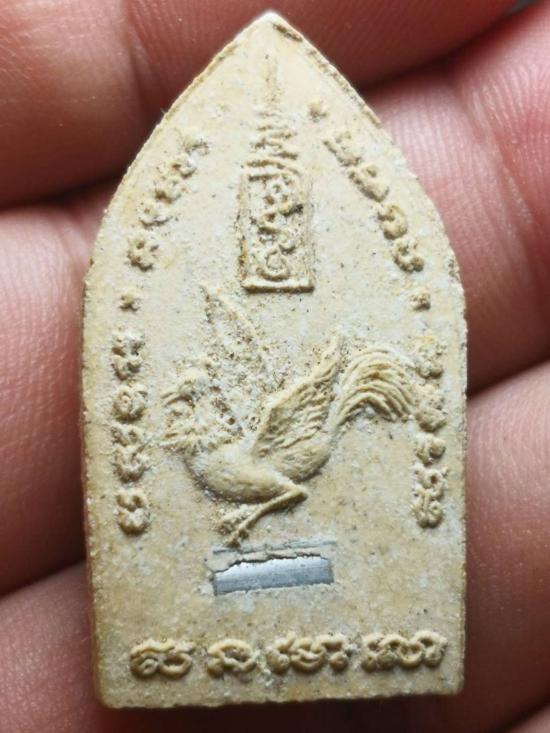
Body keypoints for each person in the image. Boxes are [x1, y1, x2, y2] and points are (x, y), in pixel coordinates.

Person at [0, 1, 548, 731]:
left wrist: (252, 507)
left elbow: (285, 481)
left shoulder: (238, 450)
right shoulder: (215, 445)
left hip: (297, 491)